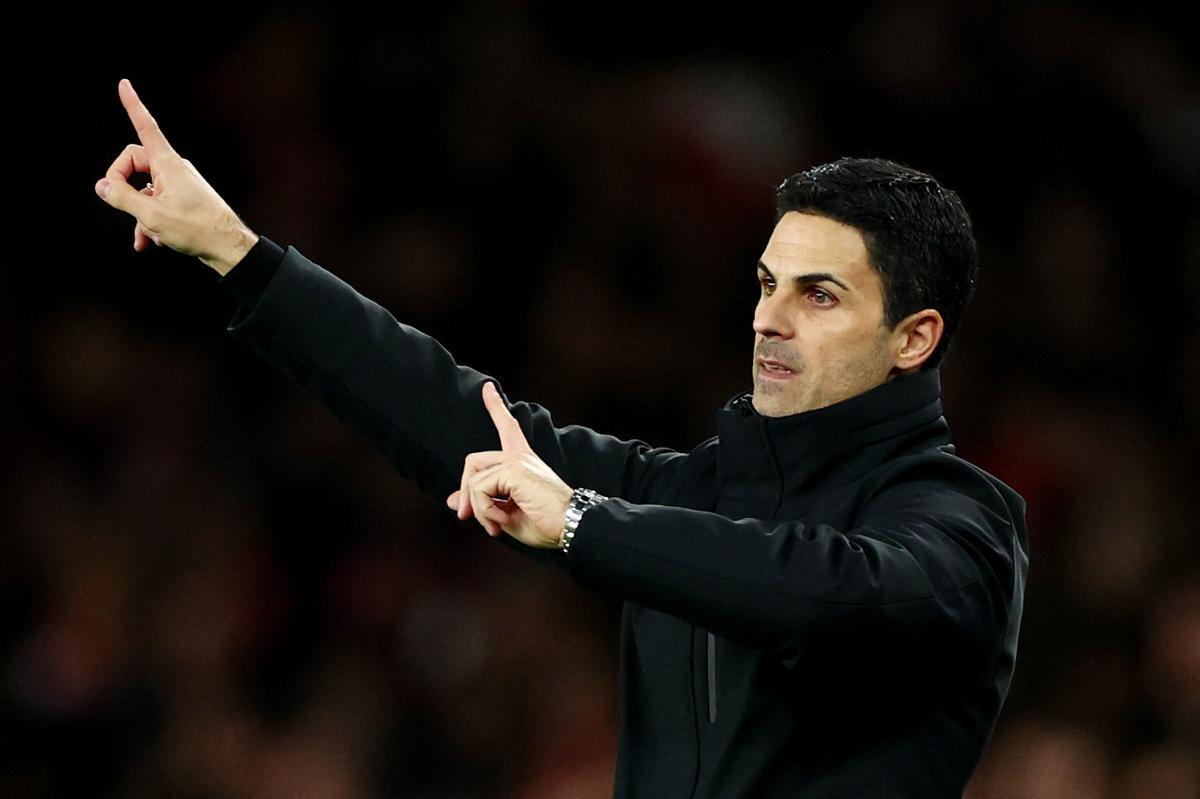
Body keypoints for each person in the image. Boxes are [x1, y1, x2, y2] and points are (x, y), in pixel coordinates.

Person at [96, 78, 1029, 798]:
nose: (768, 319)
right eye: (765, 283)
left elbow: (831, 591)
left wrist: (586, 523)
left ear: (915, 337)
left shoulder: (961, 528)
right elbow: (450, 413)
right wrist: (238, 253)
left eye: (818, 294)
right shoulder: (689, 496)